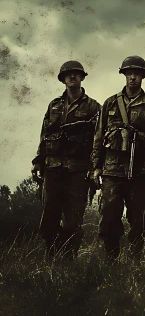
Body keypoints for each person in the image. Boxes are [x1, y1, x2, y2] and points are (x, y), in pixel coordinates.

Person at [91, 56, 145, 260]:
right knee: (109, 215)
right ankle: (111, 259)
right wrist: (96, 166)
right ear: (124, 75)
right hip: (112, 170)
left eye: (137, 74)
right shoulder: (110, 103)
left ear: (143, 77)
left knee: (139, 218)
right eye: (129, 73)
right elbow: (99, 135)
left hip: (138, 171)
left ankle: (135, 258)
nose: (133, 78)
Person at [32, 60, 101, 259]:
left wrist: (95, 168)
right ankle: (51, 257)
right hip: (52, 169)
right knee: (49, 218)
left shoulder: (94, 107)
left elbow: (99, 140)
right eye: (68, 74)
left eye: (76, 74)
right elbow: (44, 135)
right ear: (63, 79)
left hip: (78, 171)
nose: (72, 77)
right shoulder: (54, 105)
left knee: (73, 221)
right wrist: (38, 161)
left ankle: (68, 259)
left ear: (81, 78)